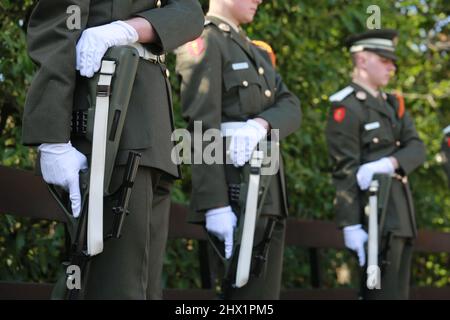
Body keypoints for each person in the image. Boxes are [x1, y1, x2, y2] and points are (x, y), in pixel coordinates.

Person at [22, 0, 204, 299]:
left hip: (154, 136)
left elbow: (190, 13)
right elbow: (58, 28)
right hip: (108, 128)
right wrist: (52, 139)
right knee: (115, 287)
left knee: (146, 288)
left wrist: (125, 30)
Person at [176, 0, 301, 299]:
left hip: (268, 193)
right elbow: (200, 126)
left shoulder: (256, 50)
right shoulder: (204, 38)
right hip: (234, 192)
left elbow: (291, 106)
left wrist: (260, 124)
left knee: (262, 296)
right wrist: (215, 203)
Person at [326, 29, 426, 299]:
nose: (392, 67)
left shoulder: (394, 104)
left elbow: (417, 148)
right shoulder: (347, 106)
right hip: (373, 217)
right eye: (384, 60)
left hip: (401, 215)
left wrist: (389, 163)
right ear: (361, 60)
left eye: (392, 61)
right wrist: (349, 224)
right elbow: (344, 170)